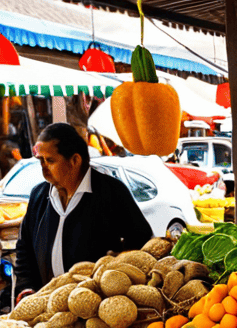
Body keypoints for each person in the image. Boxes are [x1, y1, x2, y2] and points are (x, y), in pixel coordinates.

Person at [14, 123, 152, 298]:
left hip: (96, 306)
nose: (44, 168)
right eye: (41, 161)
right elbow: (24, 246)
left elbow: (142, 240)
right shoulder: (39, 196)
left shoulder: (111, 192)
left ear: (75, 161)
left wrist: (117, 268)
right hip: (47, 303)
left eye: (50, 161)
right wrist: (26, 286)